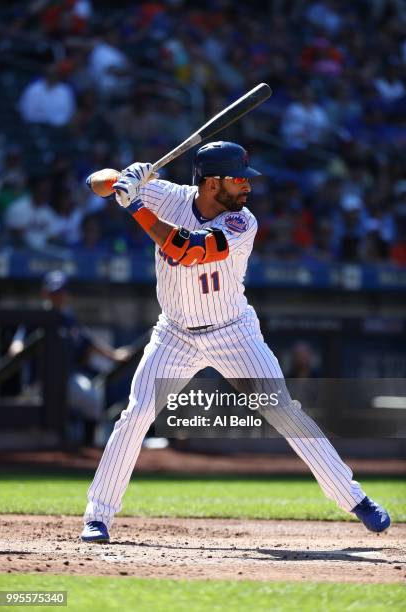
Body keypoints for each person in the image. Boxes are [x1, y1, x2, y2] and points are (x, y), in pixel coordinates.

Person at [81, 141, 390, 543]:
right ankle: (98, 516)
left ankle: (355, 499)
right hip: (174, 333)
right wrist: (126, 178)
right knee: (136, 415)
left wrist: (134, 204)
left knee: (284, 412)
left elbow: (187, 251)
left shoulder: (243, 222)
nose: (247, 186)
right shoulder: (170, 195)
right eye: (239, 179)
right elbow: (94, 183)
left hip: (233, 332)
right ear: (211, 183)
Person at [8, 270, 131, 445]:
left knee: (92, 398)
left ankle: (88, 446)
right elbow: (17, 343)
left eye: (61, 292)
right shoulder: (36, 317)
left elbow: (89, 342)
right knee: (30, 433)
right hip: (38, 382)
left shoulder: (69, 318)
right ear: (45, 293)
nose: (58, 296)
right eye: (54, 292)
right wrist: (17, 349)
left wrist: (113, 355)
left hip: (67, 378)